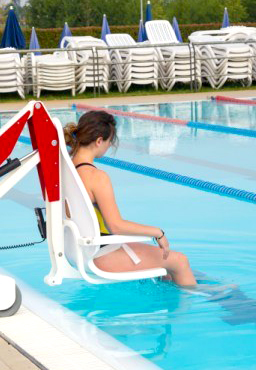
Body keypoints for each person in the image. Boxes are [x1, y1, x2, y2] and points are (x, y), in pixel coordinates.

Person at [63, 110, 196, 287]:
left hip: (78, 252)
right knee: (180, 261)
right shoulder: (96, 177)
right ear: (99, 141)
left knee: (168, 267)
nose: (109, 146)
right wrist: (158, 232)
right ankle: (195, 300)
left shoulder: (64, 171)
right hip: (101, 256)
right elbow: (116, 226)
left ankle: (170, 294)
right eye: (109, 142)